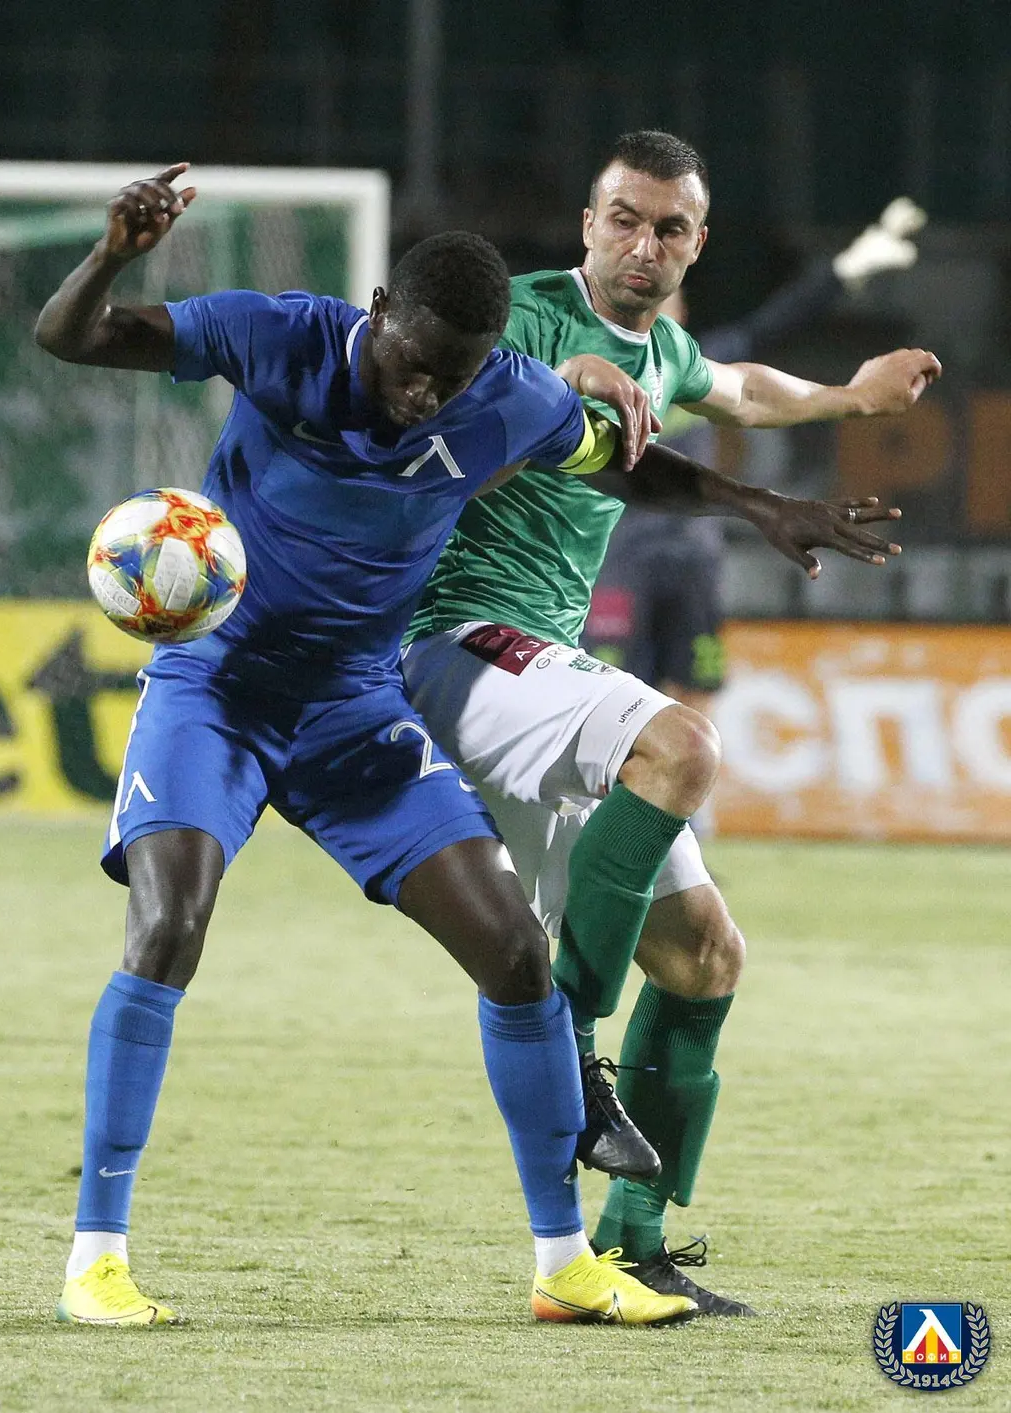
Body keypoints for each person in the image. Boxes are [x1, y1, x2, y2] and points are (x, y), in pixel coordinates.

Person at [34, 161, 716, 1328]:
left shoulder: (503, 396)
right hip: (217, 691)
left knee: (514, 951)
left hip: (355, 708)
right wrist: (111, 257)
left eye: (456, 378)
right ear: (380, 312)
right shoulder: (279, 337)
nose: (427, 395)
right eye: (415, 365)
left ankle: (563, 1266)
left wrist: (611, 402)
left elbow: (616, 457)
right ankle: (95, 1261)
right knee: (168, 926)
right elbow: (72, 339)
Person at [401, 130, 939, 1316]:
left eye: (670, 229)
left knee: (705, 959)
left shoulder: (669, 346)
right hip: (454, 640)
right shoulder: (521, 313)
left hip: (544, 662)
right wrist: (569, 380)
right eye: (625, 220)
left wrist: (851, 396)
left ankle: (630, 1245)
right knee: (683, 744)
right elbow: (465, 397)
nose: (643, 245)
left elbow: (739, 388)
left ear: (698, 245)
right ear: (588, 225)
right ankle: (568, 1048)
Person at [586, 196, 927, 715]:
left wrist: (848, 268)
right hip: (619, 558)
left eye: (667, 301)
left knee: (695, 696)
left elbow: (776, 323)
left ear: (681, 314)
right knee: (606, 694)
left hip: (694, 560)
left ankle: (682, 773)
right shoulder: (593, 373)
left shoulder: (700, 367)